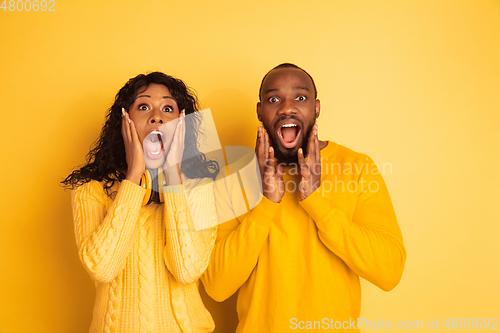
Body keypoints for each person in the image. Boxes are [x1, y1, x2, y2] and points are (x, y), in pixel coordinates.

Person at [201, 63, 406, 332]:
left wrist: (317, 202)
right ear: (260, 111)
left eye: (300, 97)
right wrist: (266, 205)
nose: (287, 107)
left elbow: (389, 272)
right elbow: (217, 286)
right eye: (274, 99)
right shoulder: (232, 178)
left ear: (316, 108)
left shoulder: (357, 167)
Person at [62, 72, 219, 332]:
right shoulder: (91, 191)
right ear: (125, 120)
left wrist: (172, 174)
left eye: (168, 108)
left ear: (181, 124)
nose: (156, 116)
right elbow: (102, 268)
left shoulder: (199, 189)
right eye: (143, 106)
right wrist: (134, 175)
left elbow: (186, 270)